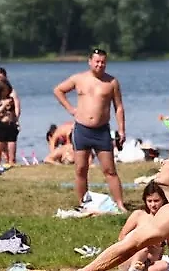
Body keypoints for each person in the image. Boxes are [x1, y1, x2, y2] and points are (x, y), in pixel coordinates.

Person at [53, 49, 127, 211]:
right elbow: (58, 90)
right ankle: (82, 203)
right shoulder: (79, 79)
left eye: (103, 62)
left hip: (101, 131)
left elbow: (119, 107)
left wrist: (121, 129)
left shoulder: (111, 82)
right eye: (97, 61)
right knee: (80, 169)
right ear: (90, 62)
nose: (100, 65)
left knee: (109, 170)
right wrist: (71, 109)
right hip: (82, 130)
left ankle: (120, 204)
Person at [107, 181, 169, 271]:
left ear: (163, 200)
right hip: (131, 258)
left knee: (165, 266)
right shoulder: (139, 215)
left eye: (156, 201)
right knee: (143, 246)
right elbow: (122, 237)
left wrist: (160, 243)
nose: (153, 205)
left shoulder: (167, 219)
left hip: (148, 264)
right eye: (149, 201)